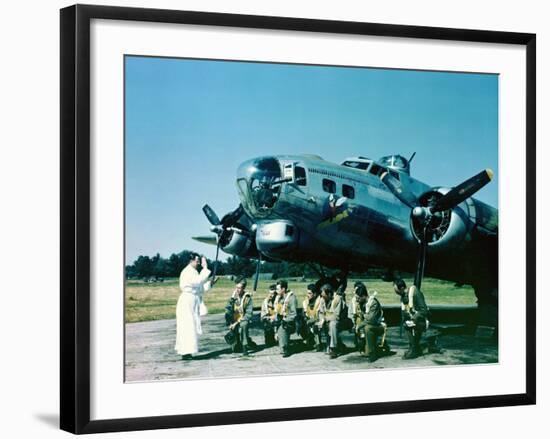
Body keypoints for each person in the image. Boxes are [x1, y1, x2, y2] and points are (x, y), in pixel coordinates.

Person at [174, 253, 212, 360]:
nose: (198, 262)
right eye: (197, 261)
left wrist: (210, 284)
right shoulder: (187, 271)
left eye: (199, 261)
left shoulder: (193, 271)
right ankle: (185, 352)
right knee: (187, 326)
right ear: (191, 261)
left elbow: (199, 289)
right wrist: (205, 268)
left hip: (192, 301)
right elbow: (198, 281)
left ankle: (188, 352)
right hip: (187, 302)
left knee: (191, 326)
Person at [394, 279, 429, 359]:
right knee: (406, 323)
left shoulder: (415, 293)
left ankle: (414, 349)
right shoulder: (404, 296)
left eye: (396, 290)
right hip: (414, 320)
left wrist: (413, 319)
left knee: (407, 325)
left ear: (402, 288)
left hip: (422, 320)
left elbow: (424, 311)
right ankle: (414, 347)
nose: (395, 292)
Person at [355, 285, 389, 362]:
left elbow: (371, 320)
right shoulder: (362, 303)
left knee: (367, 328)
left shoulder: (373, 303)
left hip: (379, 326)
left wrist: (359, 326)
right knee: (361, 327)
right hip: (370, 325)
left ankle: (372, 353)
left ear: (363, 296)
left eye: (358, 298)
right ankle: (365, 348)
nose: (357, 300)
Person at [224, 278, 257, 356]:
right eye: (236, 288)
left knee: (243, 325)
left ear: (243, 288)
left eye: (239, 288)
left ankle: (245, 346)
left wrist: (237, 323)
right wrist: (229, 322)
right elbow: (227, 310)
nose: (237, 290)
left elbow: (249, 313)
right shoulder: (233, 297)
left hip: (243, 319)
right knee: (235, 349)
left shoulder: (247, 298)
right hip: (234, 320)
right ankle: (245, 342)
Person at [273, 280, 297, 358]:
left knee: (282, 327)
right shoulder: (278, 298)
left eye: (278, 289)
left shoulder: (291, 298)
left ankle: (285, 348)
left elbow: (294, 314)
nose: (276, 291)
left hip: (290, 322)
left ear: (283, 289)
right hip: (280, 320)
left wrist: (285, 320)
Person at [321, 284, 343, 359]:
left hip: (342, 321)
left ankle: (334, 348)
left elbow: (337, 316)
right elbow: (321, 313)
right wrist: (321, 321)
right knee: (322, 324)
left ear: (329, 294)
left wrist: (326, 319)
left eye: (324, 296)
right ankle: (330, 345)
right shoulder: (322, 299)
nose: (323, 298)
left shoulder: (338, 299)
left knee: (333, 324)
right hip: (328, 319)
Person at [300, 284, 323, 350]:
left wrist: (310, 320)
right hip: (309, 319)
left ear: (315, 294)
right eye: (307, 293)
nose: (308, 295)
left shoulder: (320, 301)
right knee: (300, 323)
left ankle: (318, 343)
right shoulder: (306, 301)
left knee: (314, 326)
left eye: (310, 293)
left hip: (319, 320)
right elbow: (304, 313)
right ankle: (308, 339)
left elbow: (320, 316)